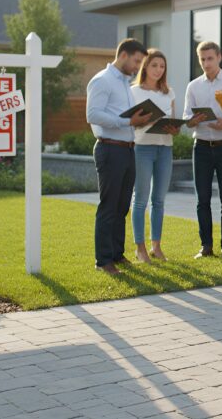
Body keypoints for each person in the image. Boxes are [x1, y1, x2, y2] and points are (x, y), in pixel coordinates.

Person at [86, 38, 151, 275]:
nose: (137, 67)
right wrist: (128, 121)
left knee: (122, 205)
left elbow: (125, 118)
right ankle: (103, 260)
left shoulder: (125, 84)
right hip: (109, 149)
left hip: (127, 149)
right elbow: (92, 114)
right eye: (136, 61)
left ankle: (116, 254)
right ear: (123, 55)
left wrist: (141, 121)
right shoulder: (102, 80)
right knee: (109, 205)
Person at [184, 41, 222, 261]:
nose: (206, 63)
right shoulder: (193, 86)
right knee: (203, 200)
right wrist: (194, 120)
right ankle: (206, 246)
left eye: (210, 58)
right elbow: (186, 119)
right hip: (201, 148)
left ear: (219, 57)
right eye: (202, 59)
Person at [130, 48, 180, 264]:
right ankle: (139, 248)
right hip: (142, 148)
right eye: (154, 65)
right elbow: (131, 123)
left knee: (159, 200)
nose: (158, 70)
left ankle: (156, 247)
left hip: (165, 148)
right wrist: (147, 121)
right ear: (145, 67)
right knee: (141, 199)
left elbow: (175, 123)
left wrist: (174, 129)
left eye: (162, 66)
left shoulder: (169, 93)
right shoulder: (133, 92)